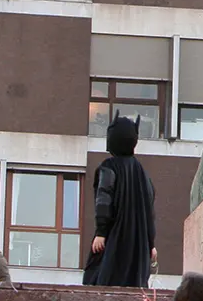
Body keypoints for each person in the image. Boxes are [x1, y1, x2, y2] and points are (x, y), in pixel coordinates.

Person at [83, 114, 157, 287]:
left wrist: (101, 232)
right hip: (138, 243)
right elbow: (149, 211)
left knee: (100, 278)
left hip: (115, 238)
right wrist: (150, 243)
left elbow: (104, 200)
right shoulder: (143, 173)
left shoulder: (109, 167)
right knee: (133, 284)